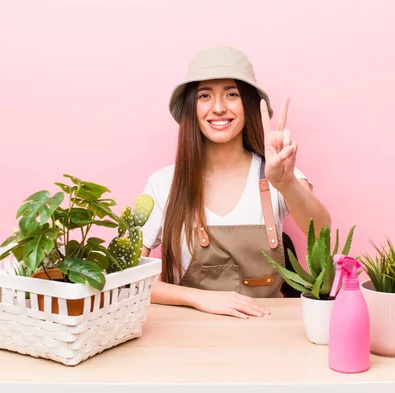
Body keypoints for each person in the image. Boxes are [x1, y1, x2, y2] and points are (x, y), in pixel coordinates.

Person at [139, 45, 331, 319]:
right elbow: (126, 278)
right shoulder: (163, 184)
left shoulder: (278, 172)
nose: (218, 108)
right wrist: (198, 298)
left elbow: (322, 232)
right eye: (205, 95)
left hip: (271, 331)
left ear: (248, 105)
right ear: (192, 108)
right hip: (187, 338)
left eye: (232, 94)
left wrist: (286, 183)